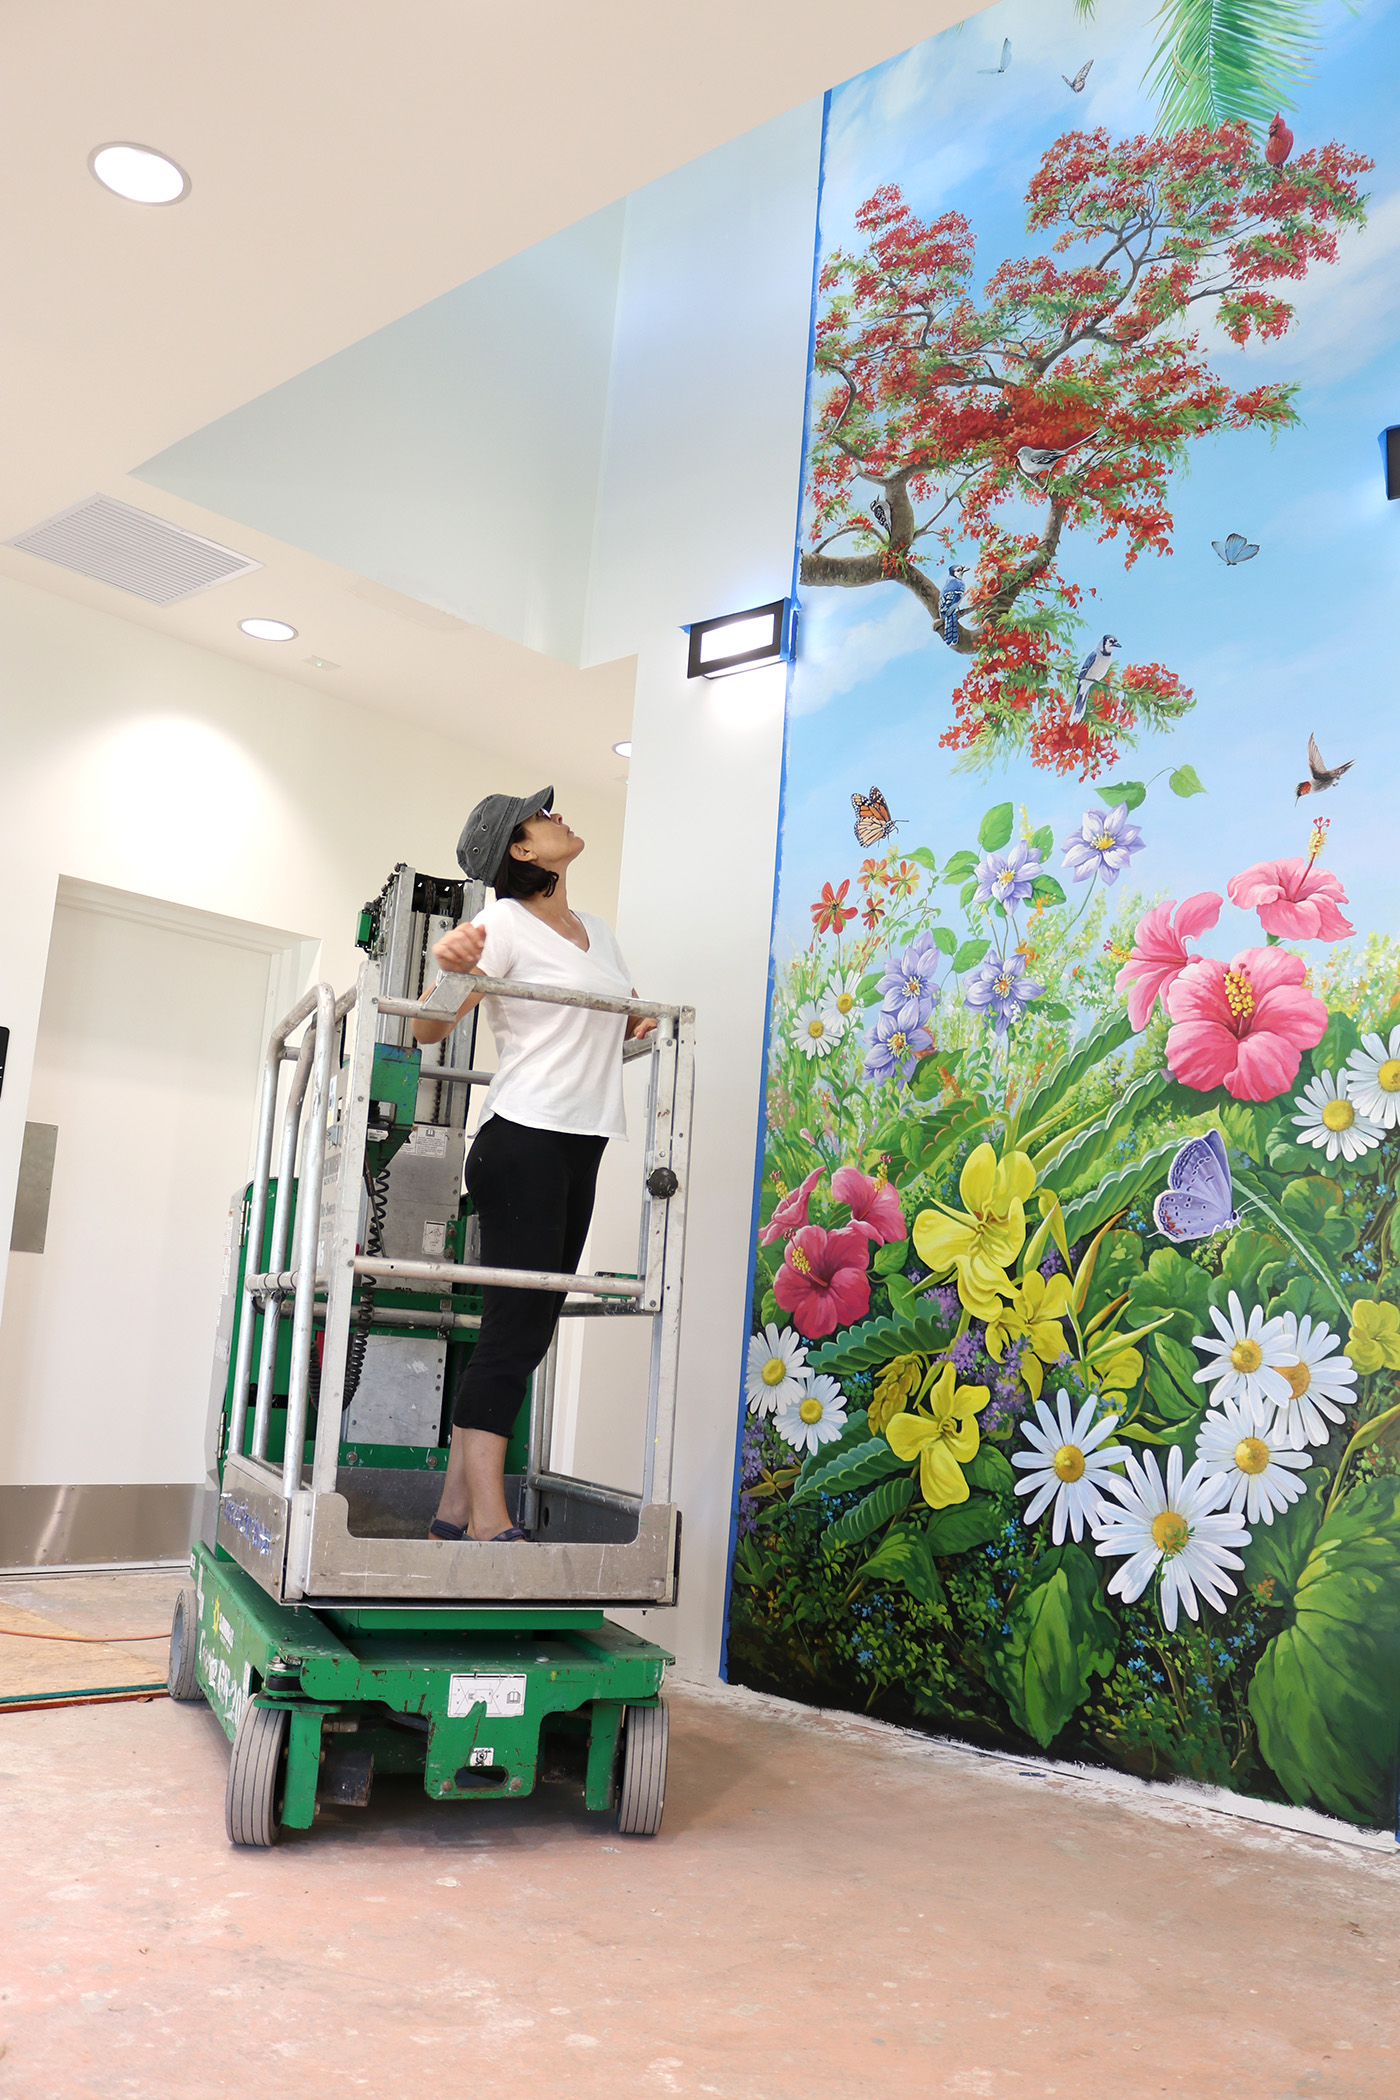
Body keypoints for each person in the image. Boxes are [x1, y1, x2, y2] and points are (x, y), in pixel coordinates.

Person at [413, 785, 654, 1541]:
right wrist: (450, 968)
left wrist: (635, 1023)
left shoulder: (598, 933)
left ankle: (454, 1509)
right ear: (520, 851)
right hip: (523, 1140)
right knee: (515, 1335)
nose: (557, 817)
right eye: (540, 818)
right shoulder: (503, 922)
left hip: (581, 1142)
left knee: (528, 1330)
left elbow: (616, 1029)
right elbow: (424, 1026)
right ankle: (488, 1514)